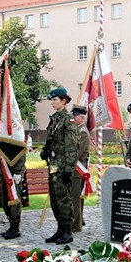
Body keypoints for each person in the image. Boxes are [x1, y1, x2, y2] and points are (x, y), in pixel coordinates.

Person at [41, 87, 80, 245]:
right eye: (51, 99)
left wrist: (68, 170)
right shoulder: (55, 118)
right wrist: (45, 150)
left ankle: (67, 231)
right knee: (56, 200)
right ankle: (59, 229)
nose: (52, 102)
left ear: (64, 100)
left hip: (63, 166)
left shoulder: (68, 119)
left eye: (55, 99)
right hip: (54, 165)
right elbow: (52, 139)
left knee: (64, 199)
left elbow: (72, 146)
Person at [70, 105, 91, 233]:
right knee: (75, 198)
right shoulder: (77, 129)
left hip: (78, 170)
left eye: (75, 115)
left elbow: (77, 152)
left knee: (75, 199)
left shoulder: (82, 132)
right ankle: (79, 221)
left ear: (82, 117)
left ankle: (75, 225)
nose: (73, 117)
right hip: (75, 169)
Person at [0, 150, 26, 240]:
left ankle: (15, 227)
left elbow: (21, 153)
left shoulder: (16, 137)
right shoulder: (1, 137)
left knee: (14, 201)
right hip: (4, 174)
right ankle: (11, 226)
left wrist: (18, 171)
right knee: (5, 201)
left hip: (13, 174)